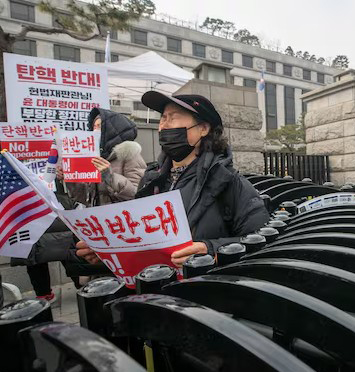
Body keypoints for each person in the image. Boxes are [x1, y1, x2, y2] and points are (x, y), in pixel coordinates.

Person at [76, 91, 270, 267]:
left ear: (203, 128)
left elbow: (262, 240)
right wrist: (107, 250)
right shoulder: (151, 181)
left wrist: (210, 250)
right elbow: (139, 239)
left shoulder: (228, 182)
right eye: (163, 118)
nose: (163, 125)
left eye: (173, 118)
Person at [60, 108, 147, 206]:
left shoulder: (129, 154)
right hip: (98, 214)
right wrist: (71, 179)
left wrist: (109, 176)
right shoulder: (93, 155)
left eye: (99, 126)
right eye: (94, 127)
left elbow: (136, 194)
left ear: (111, 130)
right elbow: (85, 199)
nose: (95, 130)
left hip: (121, 214)